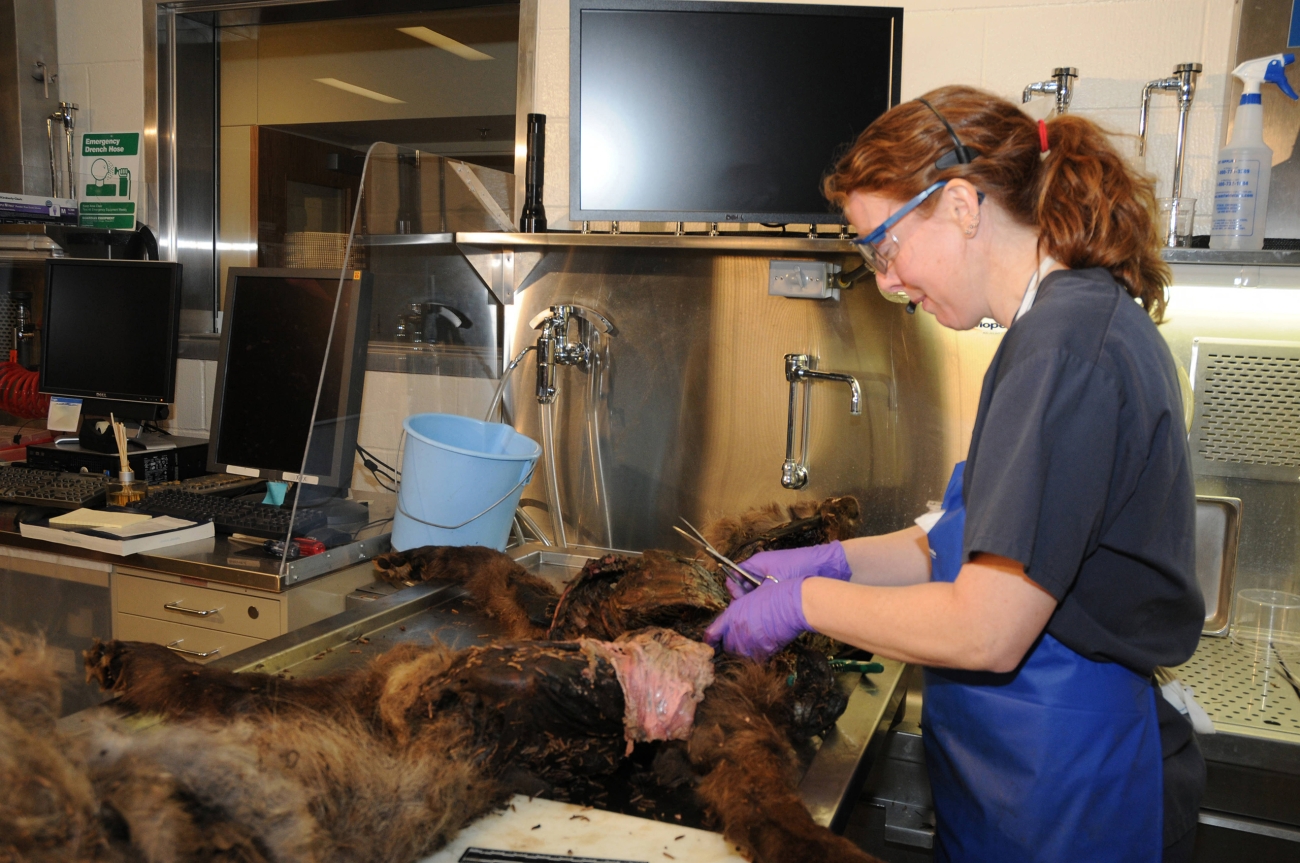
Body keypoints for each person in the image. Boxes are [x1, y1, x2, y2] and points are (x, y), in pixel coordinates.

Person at [705, 86, 1206, 863]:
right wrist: (828, 559)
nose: (886, 281)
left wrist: (804, 603)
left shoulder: (1066, 348)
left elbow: (988, 628)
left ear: (963, 204)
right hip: (1017, 782)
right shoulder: (1049, 329)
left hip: (1067, 796)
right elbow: (960, 540)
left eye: (885, 245)